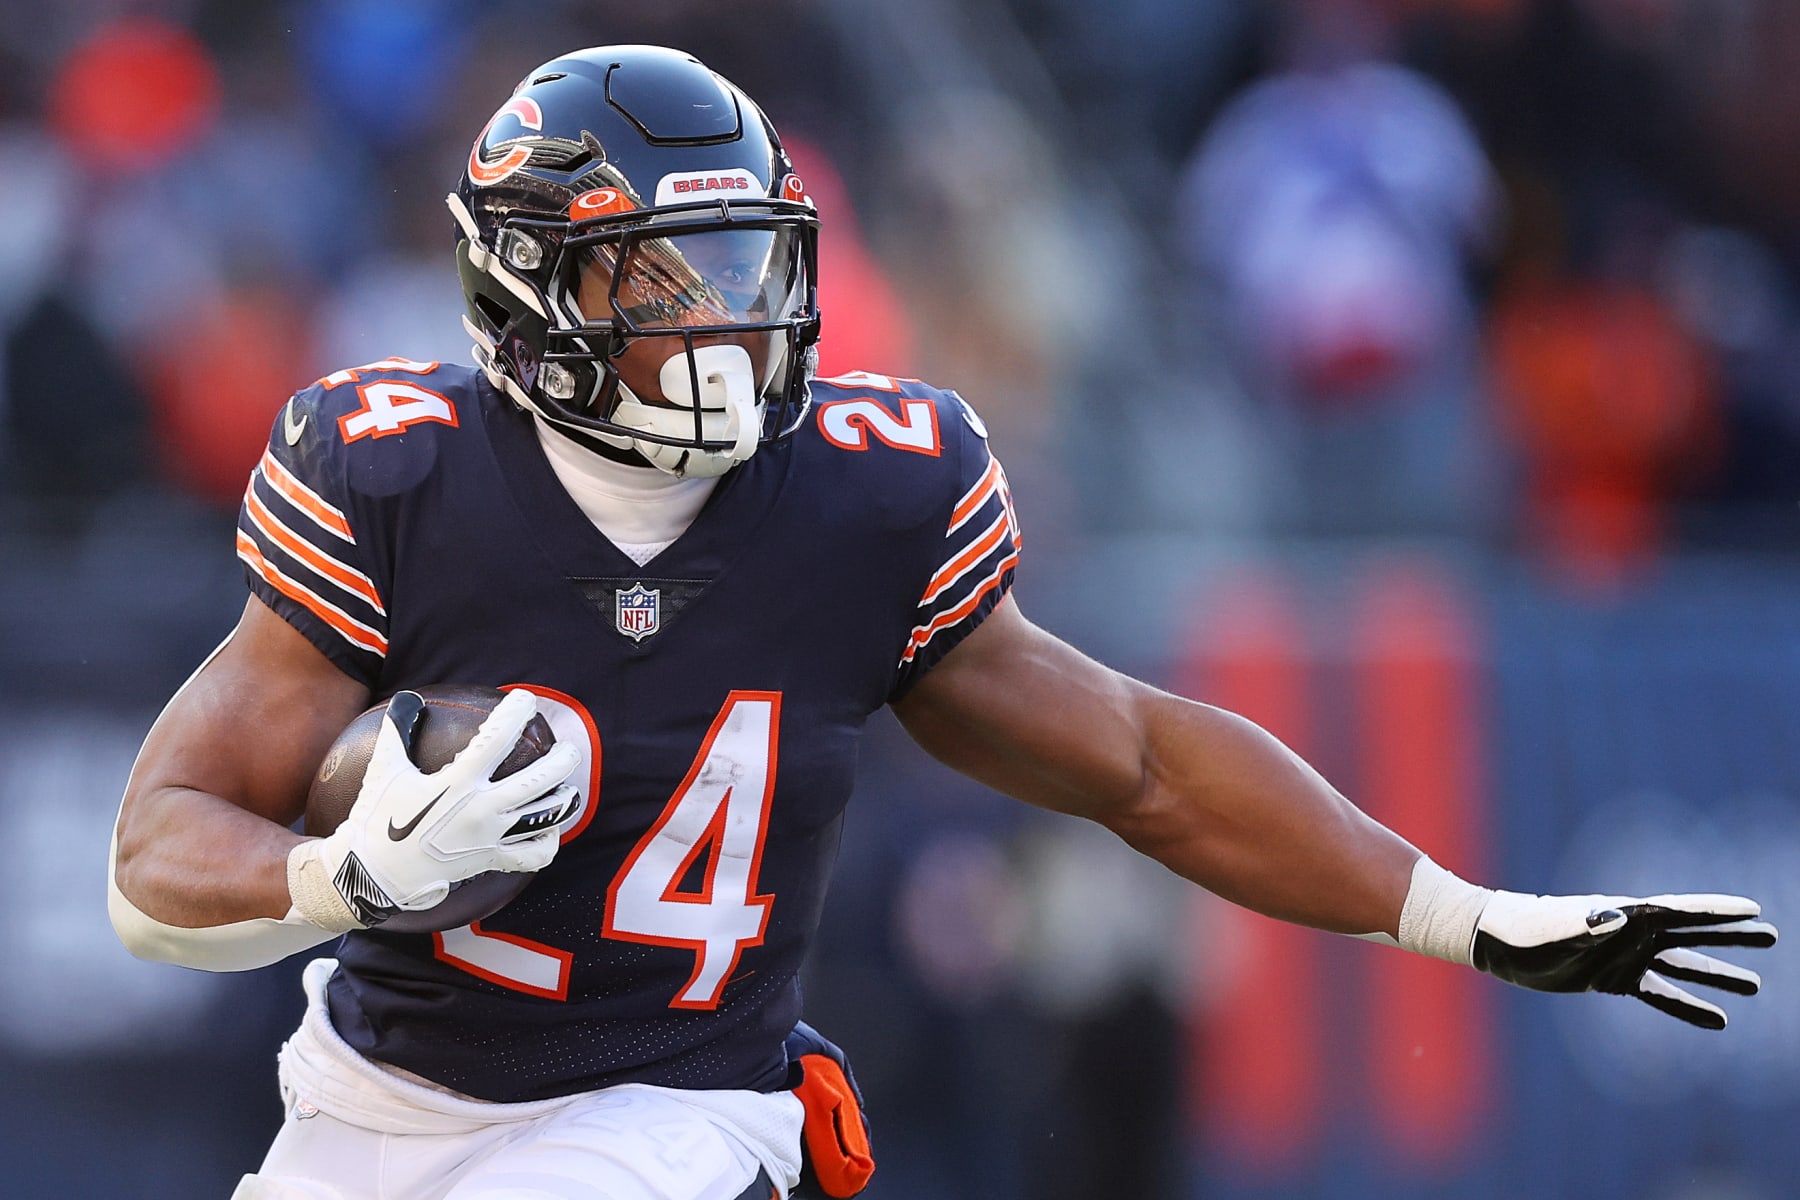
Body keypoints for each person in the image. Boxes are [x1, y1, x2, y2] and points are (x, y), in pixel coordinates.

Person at [108, 45, 1776, 1200]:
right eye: (663, 282)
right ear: (528, 292)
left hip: (669, 1115)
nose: (729, 327)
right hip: (372, 1103)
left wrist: (1461, 917)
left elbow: (1138, 763)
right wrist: (344, 878)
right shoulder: (403, 478)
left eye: (743, 267)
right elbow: (157, 855)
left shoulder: (859, 498)